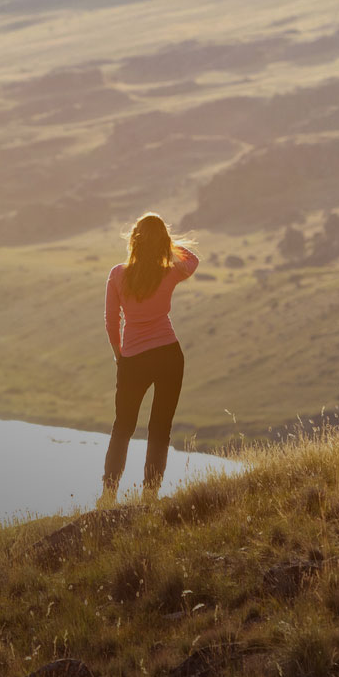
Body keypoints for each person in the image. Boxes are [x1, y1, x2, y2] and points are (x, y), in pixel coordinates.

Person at [102, 213, 198, 500]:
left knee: (123, 428)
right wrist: (166, 245)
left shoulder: (118, 274)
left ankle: (108, 494)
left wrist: (120, 355)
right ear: (163, 244)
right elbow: (192, 259)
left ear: (133, 240)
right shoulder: (170, 271)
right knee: (160, 429)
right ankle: (150, 495)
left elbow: (111, 322)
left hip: (133, 358)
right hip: (169, 355)